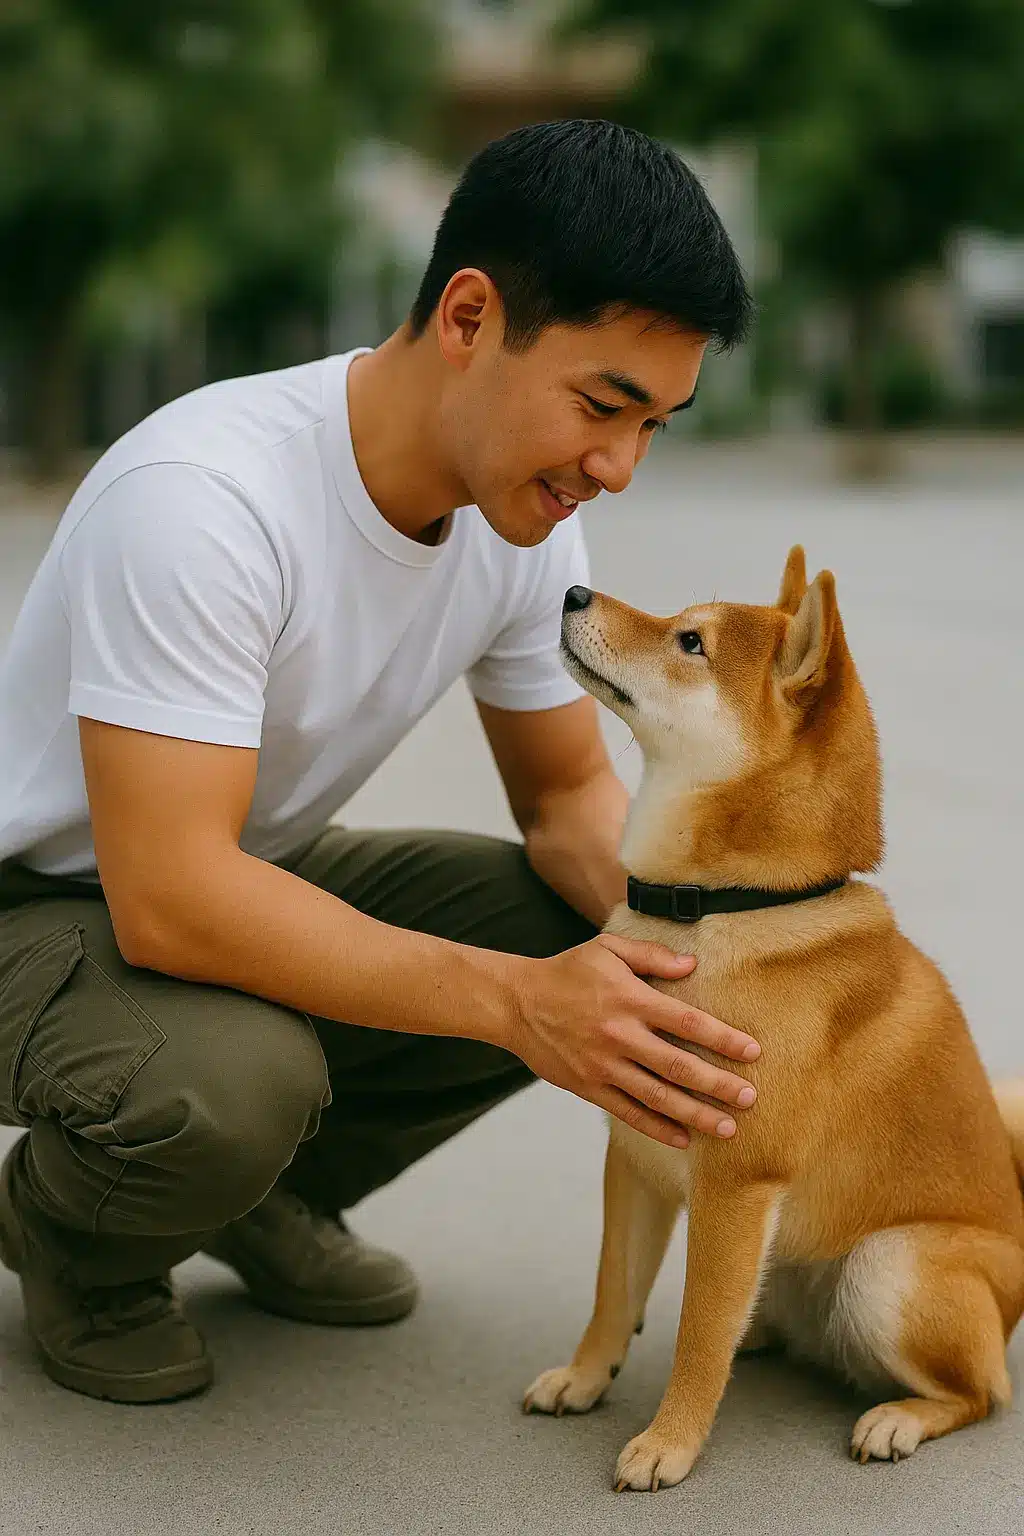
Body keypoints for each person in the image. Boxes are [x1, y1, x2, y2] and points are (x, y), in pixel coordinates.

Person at [0, 119, 760, 1406]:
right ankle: (78, 1242)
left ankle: (258, 1198)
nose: (618, 468)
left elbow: (572, 802)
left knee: (585, 933)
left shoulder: (523, 527)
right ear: (468, 316)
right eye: (602, 405)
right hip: (45, 903)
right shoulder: (205, 500)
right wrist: (524, 1004)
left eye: (657, 427)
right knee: (239, 1080)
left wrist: (729, 990)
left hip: (235, 865)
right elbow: (170, 896)